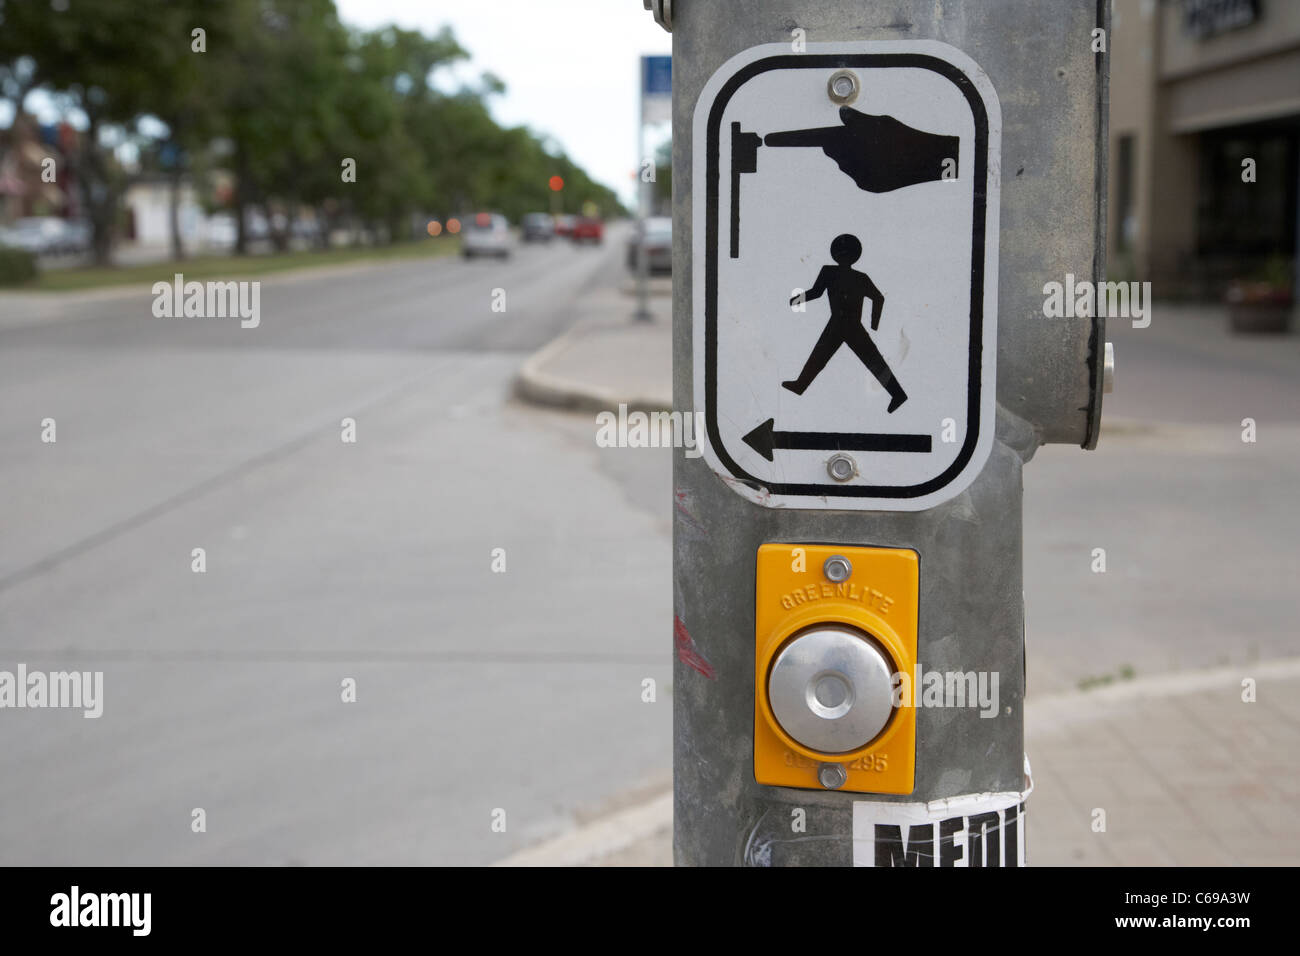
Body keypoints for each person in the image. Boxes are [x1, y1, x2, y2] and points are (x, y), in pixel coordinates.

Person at [783, 234, 908, 413]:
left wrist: (874, 323)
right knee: (821, 355)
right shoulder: (838, 273)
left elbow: (878, 298)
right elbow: (817, 292)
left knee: (872, 360)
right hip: (841, 323)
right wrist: (797, 300)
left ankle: (897, 394)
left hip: (849, 325)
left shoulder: (847, 275)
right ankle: (800, 385)